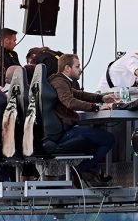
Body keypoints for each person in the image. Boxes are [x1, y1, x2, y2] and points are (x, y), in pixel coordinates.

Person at [48, 54, 116, 187]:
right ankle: (82, 170)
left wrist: (101, 98)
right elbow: (69, 101)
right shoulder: (59, 82)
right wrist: (96, 107)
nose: (81, 69)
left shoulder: (60, 81)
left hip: (64, 131)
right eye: (77, 66)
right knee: (108, 139)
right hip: (64, 133)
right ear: (67, 68)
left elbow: (78, 94)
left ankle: (92, 171)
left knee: (97, 135)